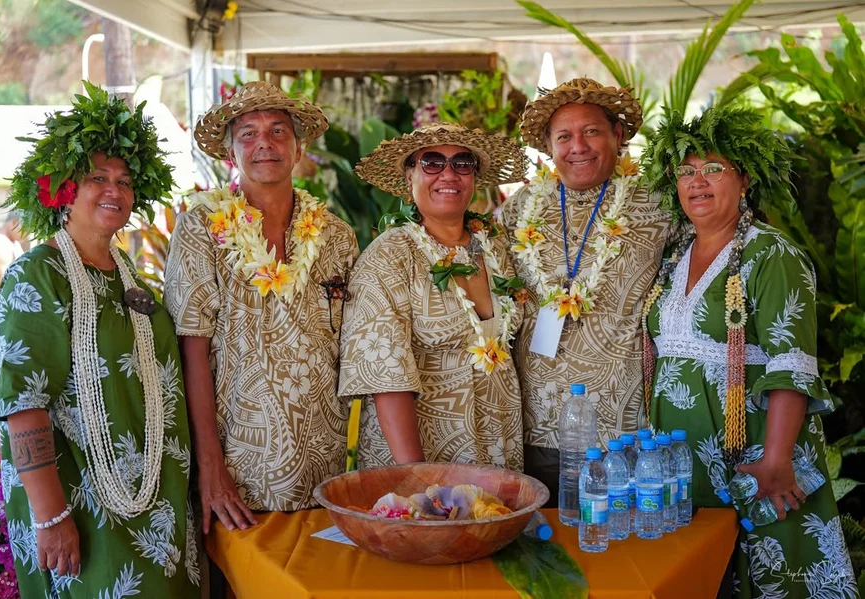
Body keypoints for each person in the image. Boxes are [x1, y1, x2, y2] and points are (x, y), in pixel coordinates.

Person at [0, 82, 199, 597]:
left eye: (125, 181)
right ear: (63, 188)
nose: (114, 190)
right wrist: (51, 514)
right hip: (81, 511)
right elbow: (22, 400)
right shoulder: (37, 276)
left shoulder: (134, 280)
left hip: (160, 510)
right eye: (97, 177)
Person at [641, 106, 858, 599]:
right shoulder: (674, 255)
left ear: (745, 180)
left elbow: (792, 364)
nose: (698, 182)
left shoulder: (772, 254)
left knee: (769, 577)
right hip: (684, 461)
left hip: (756, 454)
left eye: (713, 170)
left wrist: (778, 460)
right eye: (686, 171)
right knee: (700, 578)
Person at [164, 82, 359, 531]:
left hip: (325, 467)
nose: (264, 143)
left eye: (277, 131)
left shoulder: (337, 235)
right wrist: (211, 469)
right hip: (239, 471)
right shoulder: (200, 228)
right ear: (231, 152)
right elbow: (190, 350)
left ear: (298, 148)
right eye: (248, 133)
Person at [497, 78, 673, 502]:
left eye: (591, 131)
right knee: (546, 546)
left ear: (618, 136)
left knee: (618, 550)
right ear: (549, 147)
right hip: (536, 416)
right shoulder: (520, 208)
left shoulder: (659, 204)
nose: (578, 146)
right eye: (564, 136)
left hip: (623, 422)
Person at [340, 122, 527, 470]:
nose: (449, 174)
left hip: (499, 445)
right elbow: (386, 378)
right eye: (432, 162)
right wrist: (418, 476)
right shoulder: (390, 257)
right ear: (410, 177)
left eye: (462, 163)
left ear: (475, 177)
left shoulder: (494, 246)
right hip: (421, 456)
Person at [0, 212, 25, 287]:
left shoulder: (13, 243)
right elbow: (3, 284)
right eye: (26, 230)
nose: (27, 235)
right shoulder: (0, 245)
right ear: (14, 222)